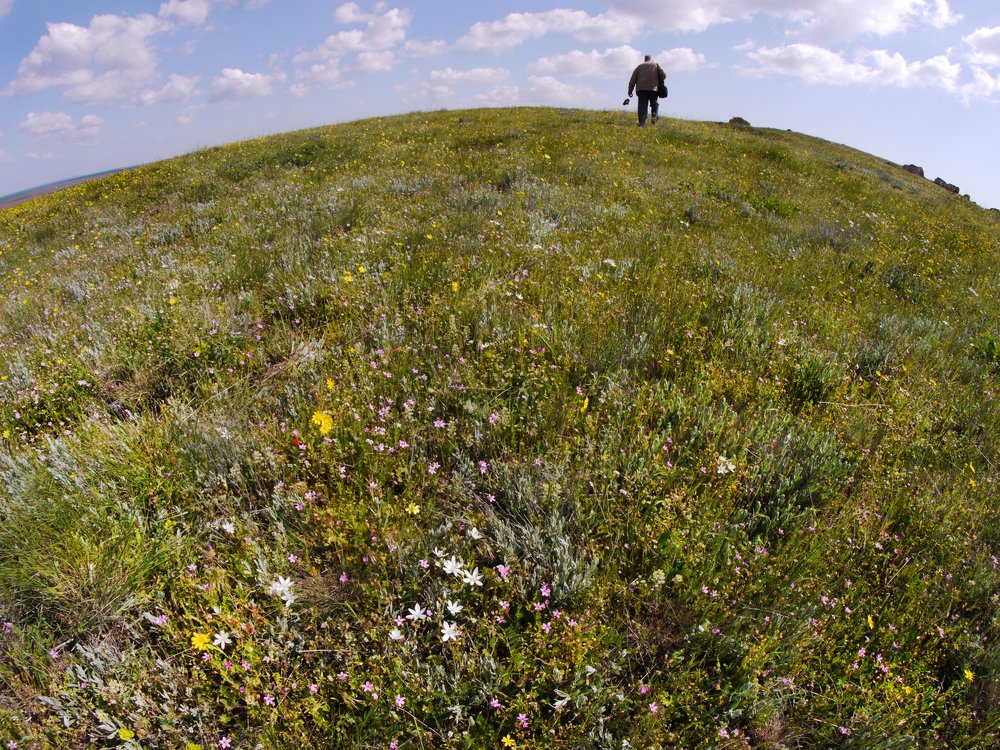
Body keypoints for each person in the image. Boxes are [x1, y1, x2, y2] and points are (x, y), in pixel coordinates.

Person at [627, 55, 666, 126]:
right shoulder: (656, 65)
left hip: (641, 90)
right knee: (654, 104)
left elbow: (632, 80)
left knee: (642, 106)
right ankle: (654, 120)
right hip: (653, 89)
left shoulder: (639, 67)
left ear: (644, 59)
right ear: (652, 59)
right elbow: (664, 76)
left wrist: (630, 91)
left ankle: (642, 123)